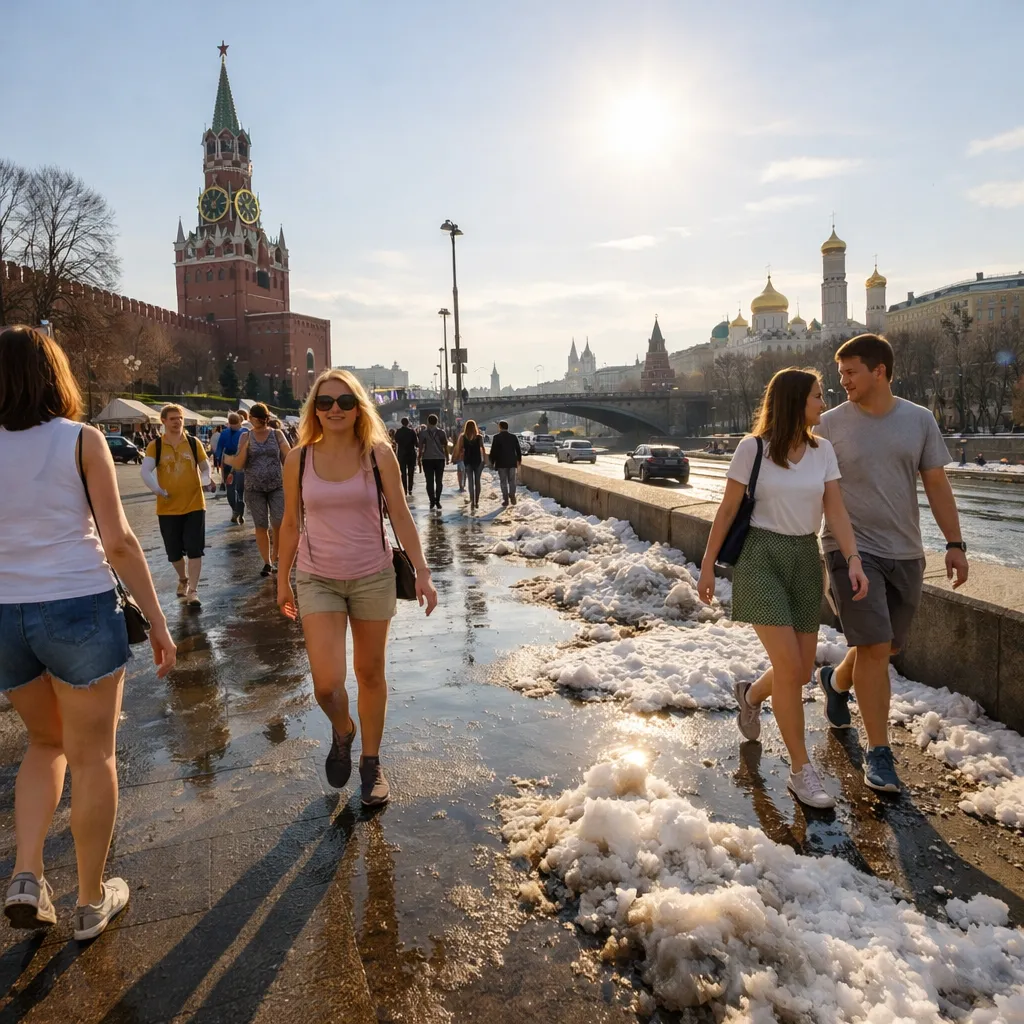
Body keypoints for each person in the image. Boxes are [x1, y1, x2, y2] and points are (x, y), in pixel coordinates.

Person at [0, 325, 176, 941]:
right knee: (93, 754)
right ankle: (91, 899)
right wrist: (157, 620)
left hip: (5, 613)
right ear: (56, 376)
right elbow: (120, 541)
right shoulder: (82, 440)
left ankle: (26, 874)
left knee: (44, 744)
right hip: (77, 603)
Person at [698, 369, 868, 809]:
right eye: (816, 395)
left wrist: (853, 559)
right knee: (791, 668)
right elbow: (728, 508)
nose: (823, 401)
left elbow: (836, 510)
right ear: (795, 401)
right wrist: (708, 564)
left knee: (799, 665)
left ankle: (751, 694)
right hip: (760, 557)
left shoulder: (822, 451)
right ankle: (801, 770)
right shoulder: (751, 449)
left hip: (804, 559)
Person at [811, 334, 967, 792]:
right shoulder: (830, 425)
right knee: (877, 648)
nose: (843, 382)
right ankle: (879, 754)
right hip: (849, 552)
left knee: (882, 648)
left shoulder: (918, 421)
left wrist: (954, 542)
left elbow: (936, 484)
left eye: (851, 372)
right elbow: (803, 479)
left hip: (905, 552)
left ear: (879, 371)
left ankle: (836, 682)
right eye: (839, 375)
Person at [276, 369, 438, 807]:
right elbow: (290, 523)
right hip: (317, 577)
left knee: (369, 673)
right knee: (327, 685)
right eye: (325, 403)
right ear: (314, 409)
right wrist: (282, 578)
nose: (335, 410)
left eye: (345, 402)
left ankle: (371, 763)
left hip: (372, 574)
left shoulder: (377, 454)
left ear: (358, 407)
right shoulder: (299, 459)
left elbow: (401, 515)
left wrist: (422, 570)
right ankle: (344, 729)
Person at [141, 404, 218, 608]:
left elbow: (205, 465)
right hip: (167, 507)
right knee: (174, 553)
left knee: (195, 550)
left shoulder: (193, 443)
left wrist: (205, 477)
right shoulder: (155, 446)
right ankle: (182, 578)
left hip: (194, 505)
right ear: (164, 421)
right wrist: (156, 488)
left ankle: (193, 591)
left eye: (180, 418)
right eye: (173, 418)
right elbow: (145, 471)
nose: (177, 421)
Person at [224, 402, 291, 577]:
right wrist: (230, 462)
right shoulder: (246, 437)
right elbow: (240, 463)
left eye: (258, 418)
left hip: (276, 485)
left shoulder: (277, 434)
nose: (255, 420)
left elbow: (288, 454)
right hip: (254, 488)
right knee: (261, 526)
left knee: (278, 522)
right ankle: (267, 563)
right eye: (254, 417)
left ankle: (276, 558)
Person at [215, 412, 246, 524]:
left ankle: (235, 511)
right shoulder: (245, 432)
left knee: (231, 489)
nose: (233, 426)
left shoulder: (224, 433)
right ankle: (239, 512)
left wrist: (218, 461)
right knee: (240, 490)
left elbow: (219, 449)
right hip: (240, 464)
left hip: (228, 462)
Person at [489, 420, 523, 507]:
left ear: (500, 427)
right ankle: (512, 494)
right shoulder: (513, 437)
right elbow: (518, 450)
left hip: (501, 463)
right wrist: (519, 460)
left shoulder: (496, 437)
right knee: (512, 481)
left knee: (503, 482)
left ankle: (506, 500)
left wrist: (492, 462)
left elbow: (493, 451)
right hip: (512, 462)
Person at [419, 414, 448, 510]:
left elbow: (420, 447)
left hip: (427, 459)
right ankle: (438, 501)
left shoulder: (423, 433)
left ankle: (432, 501)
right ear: (437, 422)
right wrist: (447, 457)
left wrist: (419, 457)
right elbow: (445, 446)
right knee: (439, 481)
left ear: (428, 422)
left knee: (429, 481)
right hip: (440, 459)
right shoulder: (441, 432)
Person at [459, 420, 486, 510]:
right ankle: (477, 501)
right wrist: (484, 460)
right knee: (477, 481)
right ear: (475, 427)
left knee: (470, 482)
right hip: (477, 461)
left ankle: (472, 501)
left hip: (467, 461)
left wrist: (462, 457)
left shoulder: (463, 437)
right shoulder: (479, 437)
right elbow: (483, 448)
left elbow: (461, 449)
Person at [394, 417, 419, 496]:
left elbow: (396, 441)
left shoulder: (398, 432)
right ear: (408, 423)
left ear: (401, 423)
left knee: (403, 472)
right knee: (411, 472)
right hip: (411, 454)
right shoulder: (412, 432)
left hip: (402, 454)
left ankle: (404, 489)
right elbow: (416, 443)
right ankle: (410, 488)